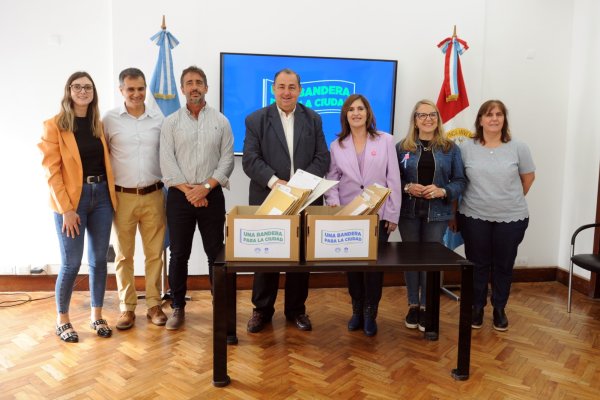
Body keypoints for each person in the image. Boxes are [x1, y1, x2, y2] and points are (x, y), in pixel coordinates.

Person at [242, 68, 330, 333]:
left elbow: (322, 158)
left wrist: (300, 186)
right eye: (281, 86)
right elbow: (250, 159)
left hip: (305, 198)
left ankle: (296, 311)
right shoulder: (256, 119)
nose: (286, 92)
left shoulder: (313, 119)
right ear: (273, 89)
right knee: (266, 255)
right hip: (269, 196)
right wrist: (276, 183)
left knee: (300, 257)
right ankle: (262, 311)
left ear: (300, 89)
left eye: (292, 87)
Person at [39, 71, 117, 342]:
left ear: (93, 92)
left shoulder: (99, 124)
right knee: (71, 263)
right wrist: (66, 209)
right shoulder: (54, 125)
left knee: (98, 261)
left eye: (88, 87)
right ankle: (62, 319)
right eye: (78, 87)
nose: (83, 91)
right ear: (68, 90)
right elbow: (52, 172)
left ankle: (97, 315)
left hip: (102, 198)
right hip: (73, 201)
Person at [160, 66, 234, 330]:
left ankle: (221, 305)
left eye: (199, 82)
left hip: (211, 195)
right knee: (179, 254)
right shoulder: (170, 123)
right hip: (180, 197)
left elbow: (226, 161)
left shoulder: (221, 121)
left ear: (206, 88)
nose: (194, 87)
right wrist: (191, 192)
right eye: (189, 83)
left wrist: (205, 188)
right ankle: (178, 307)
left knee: (216, 253)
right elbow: (167, 162)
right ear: (182, 89)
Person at [324, 94, 401, 336]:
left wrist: (392, 214)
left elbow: (393, 179)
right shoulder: (337, 145)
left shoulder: (385, 140)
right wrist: (335, 207)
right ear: (345, 115)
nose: (356, 113)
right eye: (351, 109)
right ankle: (356, 309)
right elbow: (332, 179)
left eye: (360, 109)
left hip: (377, 215)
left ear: (368, 113)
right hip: (349, 215)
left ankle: (370, 312)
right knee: (353, 266)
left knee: (373, 267)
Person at [457, 100, 535, 331]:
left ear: (504, 119)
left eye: (498, 114)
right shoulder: (466, 148)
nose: (494, 118)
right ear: (480, 120)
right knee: (478, 265)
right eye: (489, 114)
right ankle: (477, 308)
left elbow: (528, 178)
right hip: (474, 216)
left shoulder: (519, 147)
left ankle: (499, 308)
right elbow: (459, 181)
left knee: (503, 265)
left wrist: (507, 199)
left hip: (511, 218)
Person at [103, 68, 167, 330]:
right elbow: (101, 154)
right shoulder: (109, 119)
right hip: (122, 197)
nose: (137, 94)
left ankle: (153, 304)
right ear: (122, 91)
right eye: (131, 89)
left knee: (154, 254)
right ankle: (127, 308)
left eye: (141, 88)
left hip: (153, 194)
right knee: (123, 255)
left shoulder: (158, 118)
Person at [396, 99, 466, 332]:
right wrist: (408, 188)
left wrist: (442, 190)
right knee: (411, 260)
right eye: (422, 115)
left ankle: (427, 306)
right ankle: (413, 305)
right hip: (408, 213)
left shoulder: (450, 148)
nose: (428, 119)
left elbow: (460, 181)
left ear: (438, 119)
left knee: (431, 261)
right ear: (414, 121)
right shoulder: (401, 147)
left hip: (437, 214)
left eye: (432, 115)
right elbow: (393, 180)